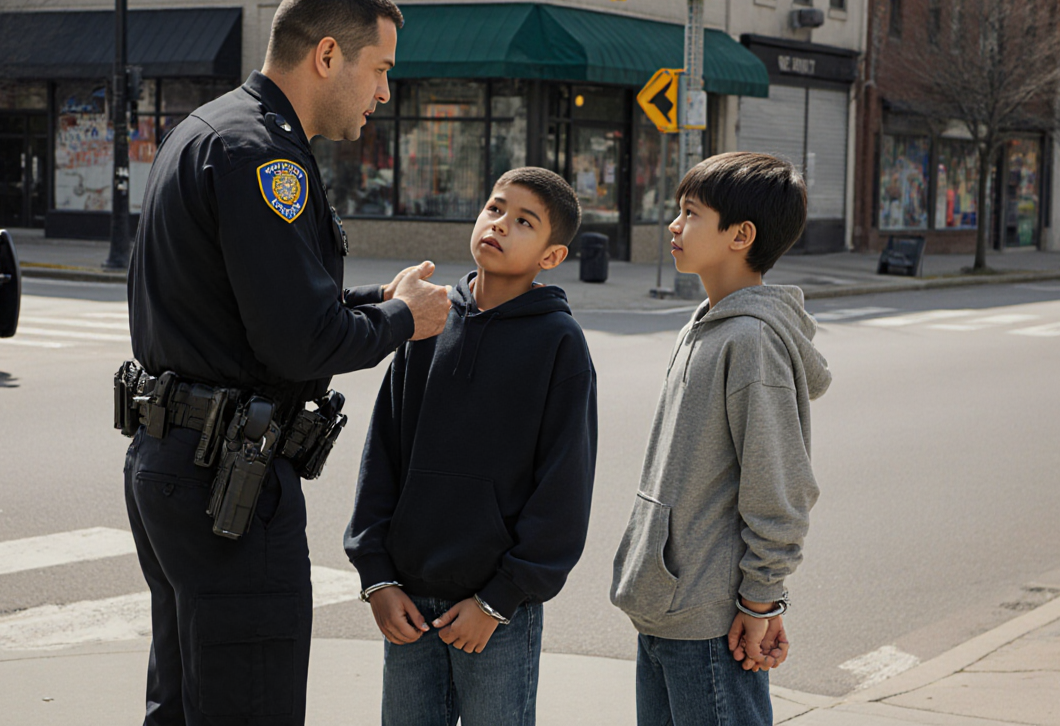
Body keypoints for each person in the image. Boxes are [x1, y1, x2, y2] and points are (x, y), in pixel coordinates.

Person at [122, 0, 451, 726]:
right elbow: (302, 340)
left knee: (185, 701)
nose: (385, 93)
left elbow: (257, 308)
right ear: (329, 54)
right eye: (381, 69)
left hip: (174, 462)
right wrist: (404, 322)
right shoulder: (265, 159)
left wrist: (388, 303)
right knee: (249, 705)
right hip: (224, 483)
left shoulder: (209, 129)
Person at [344, 167, 598, 726]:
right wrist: (377, 577)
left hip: (496, 613)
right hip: (407, 600)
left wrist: (500, 598)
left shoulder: (560, 343)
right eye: (495, 208)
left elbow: (565, 486)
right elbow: (382, 452)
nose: (501, 224)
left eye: (524, 221)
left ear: (551, 256)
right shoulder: (429, 320)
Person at [608, 152, 832, 725]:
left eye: (690, 213)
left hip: (709, 623)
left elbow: (778, 490)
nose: (674, 226)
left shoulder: (750, 341)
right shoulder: (704, 324)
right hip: (668, 607)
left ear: (741, 235)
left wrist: (762, 600)